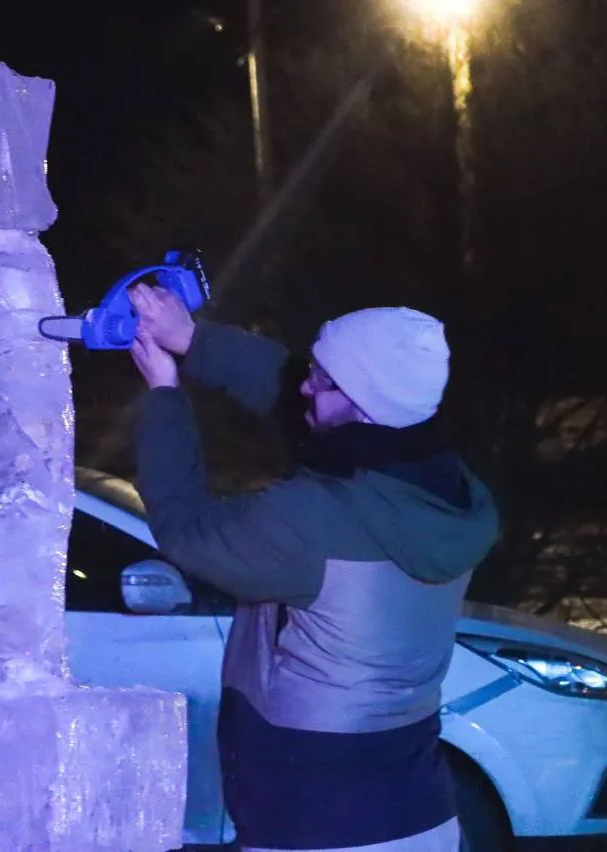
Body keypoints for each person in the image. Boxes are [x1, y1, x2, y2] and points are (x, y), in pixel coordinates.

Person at [127, 283, 499, 852]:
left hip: (315, 819)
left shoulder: (311, 517)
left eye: (322, 381)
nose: (304, 384)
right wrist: (193, 339)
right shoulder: (447, 490)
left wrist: (163, 393)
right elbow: (294, 392)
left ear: (362, 401)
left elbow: (185, 529)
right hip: (420, 808)